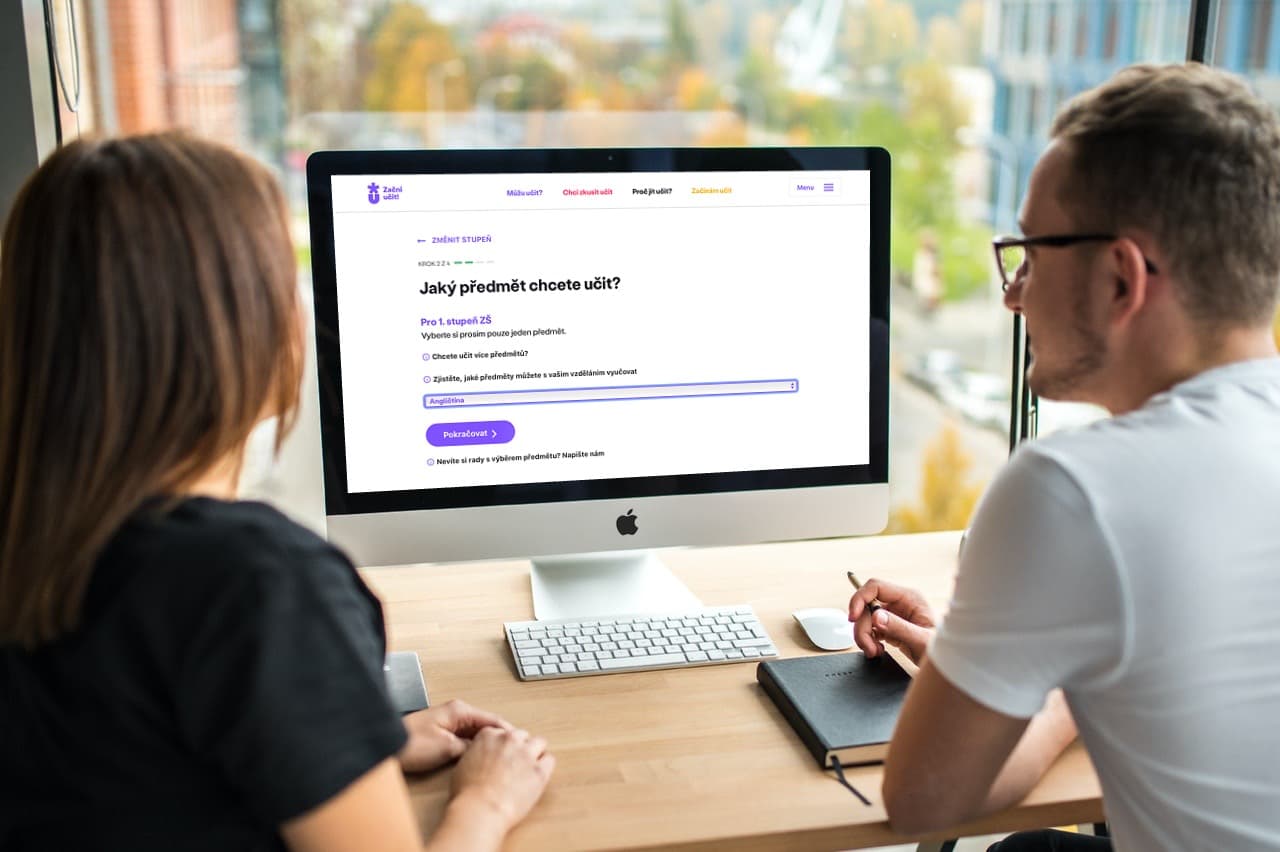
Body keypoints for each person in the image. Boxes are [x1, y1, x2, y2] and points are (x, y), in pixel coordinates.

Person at [0, 133, 553, 851]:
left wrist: (348, 743)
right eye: (283, 284)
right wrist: (486, 801)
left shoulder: (38, 542)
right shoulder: (256, 583)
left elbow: (139, 776)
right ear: (237, 328)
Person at [848, 63, 1280, 851]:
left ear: (1120, 279)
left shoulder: (1074, 489)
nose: (1012, 294)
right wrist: (1017, 652)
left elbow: (922, 801)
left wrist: (1043, 660)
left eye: (1031, 255)